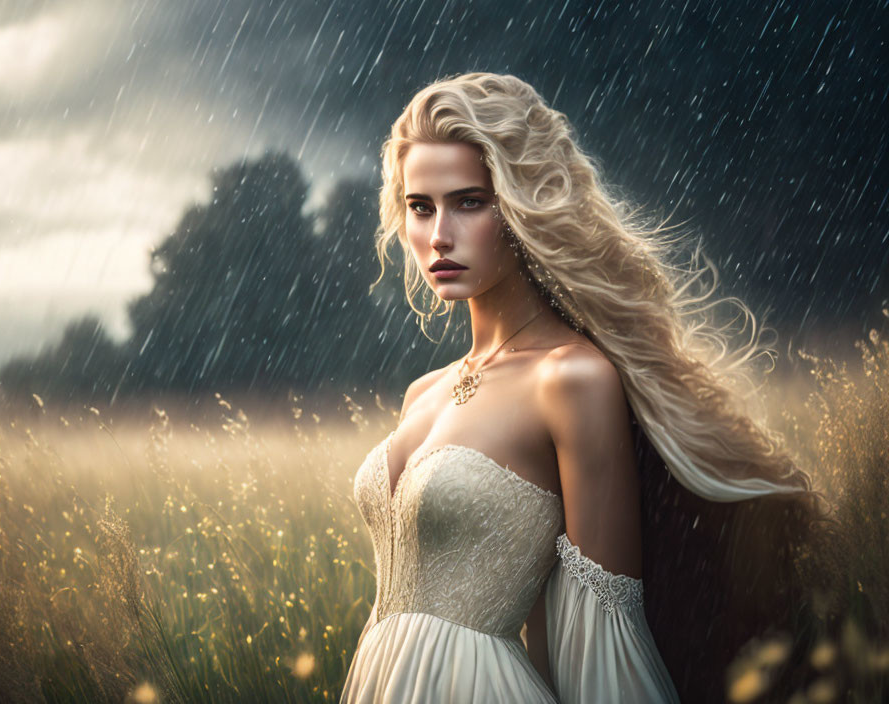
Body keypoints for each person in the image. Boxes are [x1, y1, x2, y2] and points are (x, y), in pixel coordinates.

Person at [339, 72, 827, 703]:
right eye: (420, 206)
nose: (438, 236)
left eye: (469, 202)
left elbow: (598, 628)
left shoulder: (571, 379)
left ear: (520, 204)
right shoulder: (423, 393)